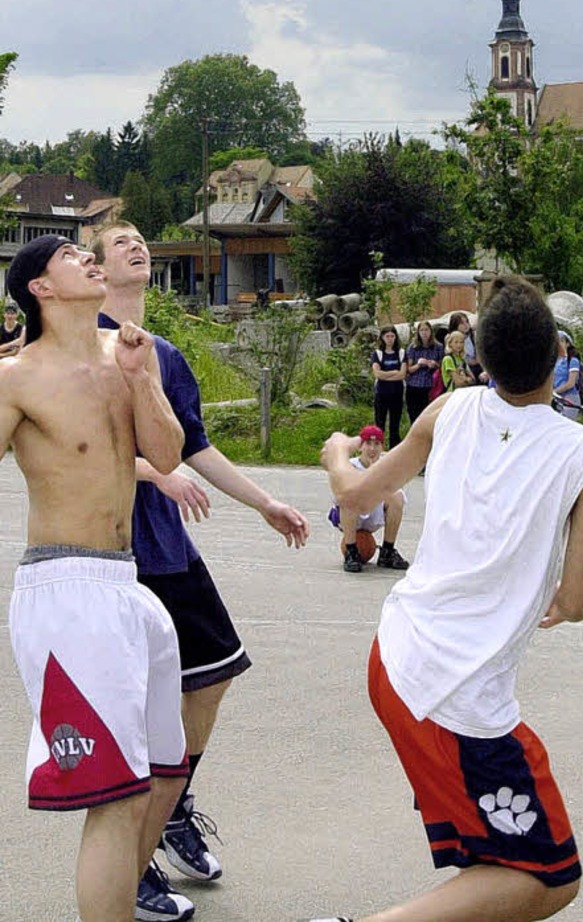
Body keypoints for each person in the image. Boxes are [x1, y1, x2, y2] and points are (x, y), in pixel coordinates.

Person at [312, 276, 583, 922]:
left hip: (397, 656)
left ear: (478, 359)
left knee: (492, 860)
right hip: (454, 695)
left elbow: (357, 496)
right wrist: (560, 597)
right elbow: (581, 599)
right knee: (551, 875)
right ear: (558, 354)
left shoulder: (448, 410)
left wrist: (338, 452)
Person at [92, 221, 309, 920]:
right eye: (118, 241)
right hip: (110, 550)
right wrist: (154, 472)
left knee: (213, 676)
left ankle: (173, 808)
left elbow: (199, 448)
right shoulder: (79, 348)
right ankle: (132, 869)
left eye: (139, 239)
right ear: (95, 271)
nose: (137, 247)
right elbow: (73, 453)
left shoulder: (165, 353)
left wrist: (265, 501)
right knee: (134, 715)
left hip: (169, 551)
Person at [3, 234, 189, 922]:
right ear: (41, 289)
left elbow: (167, 456)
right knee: (116, 796)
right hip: (66, 590)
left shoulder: (129, 355)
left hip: (126, 584)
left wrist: (142, 380)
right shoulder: (17, 376)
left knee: (162, 776)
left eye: (89, 251)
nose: (86, 257)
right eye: (68, 255)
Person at [328, 425, 409, 574]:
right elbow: (338, 496)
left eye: (377, 444)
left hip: (373, 514)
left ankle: (387, 551)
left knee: (397, 496)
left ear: (382, 447)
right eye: (368, 444)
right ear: (360, 447)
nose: (372, 449)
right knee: (348, 495)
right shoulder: (349, 465)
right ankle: (351, 551)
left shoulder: (387, 466)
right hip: (349, 516)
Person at [370, 326, 406, 449]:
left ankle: (393, 450)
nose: (390, 339)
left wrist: (387, 375)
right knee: (379, 424)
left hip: (397, 393)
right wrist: (393, 372)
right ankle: (377, 449)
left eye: (392, 336)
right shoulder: (377, 354)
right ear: (382, 338)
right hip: (382, 393)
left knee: (394, 425)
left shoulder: (401, 353)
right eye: (387, 336)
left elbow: (402, 374)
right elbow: (377, 374)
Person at [404, 322, 443, 424]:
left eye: (426, 330)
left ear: (431, 331)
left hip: (430, 384)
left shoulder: (438, 347)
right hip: (414, 385)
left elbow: (443, 366)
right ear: (418, 332)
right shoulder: (413, 347)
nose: (424, 333)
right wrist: (419, 364)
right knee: (414, 415)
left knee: (428, 414)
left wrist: (435, 364)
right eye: (422, 330)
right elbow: (408, 369)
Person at [553, 332, 580, 420]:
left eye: (561, 341)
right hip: (558, 399)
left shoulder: (573, 361)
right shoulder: (556, 362)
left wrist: (554, 392)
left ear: (567, 344)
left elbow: (570, 383)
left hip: (570, 398)